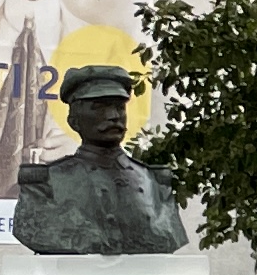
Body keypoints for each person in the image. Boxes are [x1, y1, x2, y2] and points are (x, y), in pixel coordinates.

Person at [12, 62, 188, 255]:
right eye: (99, 108)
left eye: (120, 107)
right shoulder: (45, 185)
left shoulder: (155, 182)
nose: (114, 116)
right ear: (74, 121)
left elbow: (167, 235)